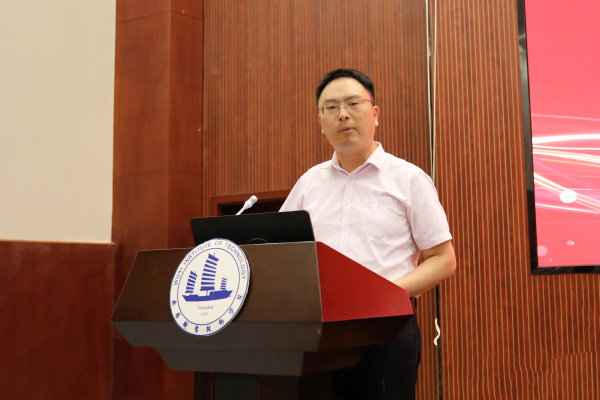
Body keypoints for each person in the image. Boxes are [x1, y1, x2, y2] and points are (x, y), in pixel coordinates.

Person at [280, 69, 456, 400]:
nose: (342, 114)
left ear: (374, 114)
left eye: (352, 103)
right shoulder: (308, 184)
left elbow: (443, 259)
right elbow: (281, 252)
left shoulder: (408, 179)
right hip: (320, 330)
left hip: (386, 327)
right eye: (331, 107)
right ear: (321, 122)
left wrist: (381, 295)